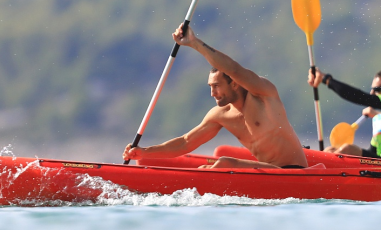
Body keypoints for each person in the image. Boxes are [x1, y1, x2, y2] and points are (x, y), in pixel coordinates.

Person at [122, 24, 308, 169]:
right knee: (212, 166)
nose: (213, 93)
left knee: (225, 163)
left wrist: (194, 43)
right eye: (210, 87)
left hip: (296, 172)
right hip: (268, 173)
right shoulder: (220, 115)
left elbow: (233, 69)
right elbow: (185, 143)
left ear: (234, 82)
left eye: (217, 86)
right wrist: (144, 152)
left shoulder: (263, 95)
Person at [307, 66, 381, 164]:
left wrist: (327, 80)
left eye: (377, 89)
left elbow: (362, 98)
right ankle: (316, 168)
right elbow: (372, 153)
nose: (372, 93)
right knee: (332, 150)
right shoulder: (380, 119)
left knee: (347, 149)